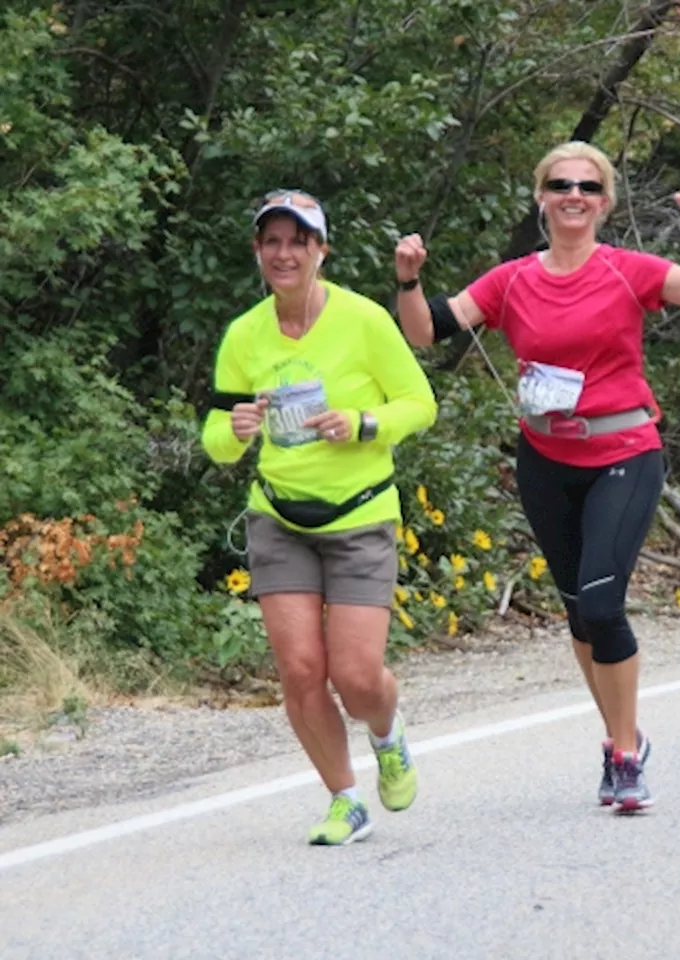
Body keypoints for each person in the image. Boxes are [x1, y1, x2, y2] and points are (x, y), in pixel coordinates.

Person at [393, 141, 680, 812]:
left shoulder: (629, 270)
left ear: (605, 202)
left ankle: (623, 757)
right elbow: (425, 332)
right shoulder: (512, 280)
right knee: (579, 615)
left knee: (601, 604)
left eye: (588, 187)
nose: (574, 195)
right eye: (560, 184)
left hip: (624, 453)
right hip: (546, 462)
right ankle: (622, 736)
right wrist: (410, 281)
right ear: (542, 198)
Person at [201, 190, 439, 845]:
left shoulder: (363, 320)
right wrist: (237, 428)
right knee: (302, 670)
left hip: (360, 515)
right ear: (258, 251)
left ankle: (386, 736)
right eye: (271, 242)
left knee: (357, 678)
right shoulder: (245, 335)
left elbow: (419, 404)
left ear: (320, 250)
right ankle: (345, 799)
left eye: (297, 241)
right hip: (279, 518)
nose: (284, 254)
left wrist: (363, 423)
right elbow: (217, 439)